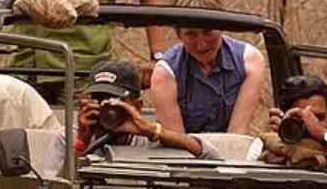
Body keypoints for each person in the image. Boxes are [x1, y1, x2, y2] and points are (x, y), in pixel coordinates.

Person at [0, 0, 170, 104]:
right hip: (22, 59)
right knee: (13, 142)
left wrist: (158, 57)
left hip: (80, 65)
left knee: (79, 140)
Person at [149, 0, 267, 135]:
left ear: (222, 26)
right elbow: (176, 141)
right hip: (183, 154)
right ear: (179, 34)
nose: (202, 44)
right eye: (191, 34)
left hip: (232, 150)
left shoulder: (249, 61)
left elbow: (237, 132)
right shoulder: (165, 73)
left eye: (208, 32)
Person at [73, 60, 226, 159]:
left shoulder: (150, 140)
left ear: (138, 105)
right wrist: (82, 141)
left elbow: (212, 158)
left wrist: (153, 132)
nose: (105, 106)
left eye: (115, 101)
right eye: (98, 99)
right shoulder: (70, 136)